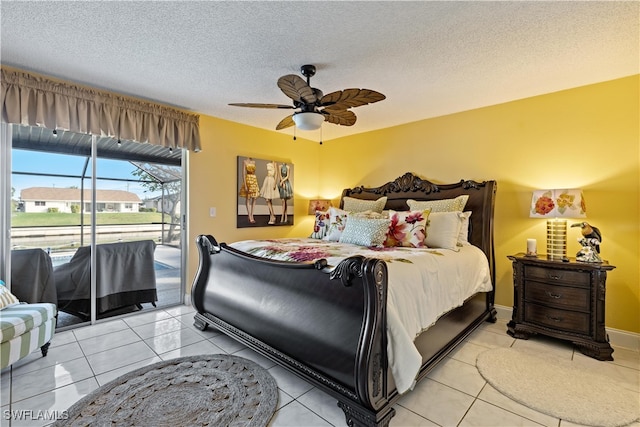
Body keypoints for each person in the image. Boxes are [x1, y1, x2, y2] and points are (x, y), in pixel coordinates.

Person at [239, 157, 260, 223]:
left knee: (255, 198)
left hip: (254, 179)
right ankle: (249, 215)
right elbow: (243, 173)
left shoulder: (254, 162)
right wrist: (245, 185)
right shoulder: (245, 162)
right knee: (248, 198)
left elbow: (254, 171)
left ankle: (252, 215)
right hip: (248, 179)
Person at [260, 160, 279, 224]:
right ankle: (272, 216)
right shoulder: (269, 163)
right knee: (268, 200)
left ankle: (272, 216)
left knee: (268, 200)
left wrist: (274, 184)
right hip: (267, 180)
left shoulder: (275, 163)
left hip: (271, 181)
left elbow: (276, 174)